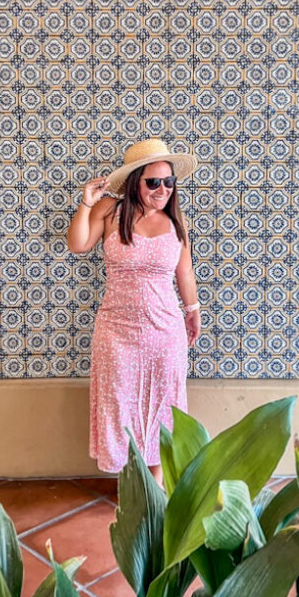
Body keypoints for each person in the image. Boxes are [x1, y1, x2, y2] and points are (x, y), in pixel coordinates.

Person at [66, 138, 201, 481]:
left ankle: (155, 486)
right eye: (153, 182)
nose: (162, 189)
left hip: (166, 331)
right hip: (116, 330)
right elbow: (78, 244)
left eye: (169, 182)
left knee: (163, 405)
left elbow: (184, 272)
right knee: (119, 404)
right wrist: (86, 202)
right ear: (134, 182)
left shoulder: (176, 221)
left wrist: (193, 310)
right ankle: (130, 484)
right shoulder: (110, 211)